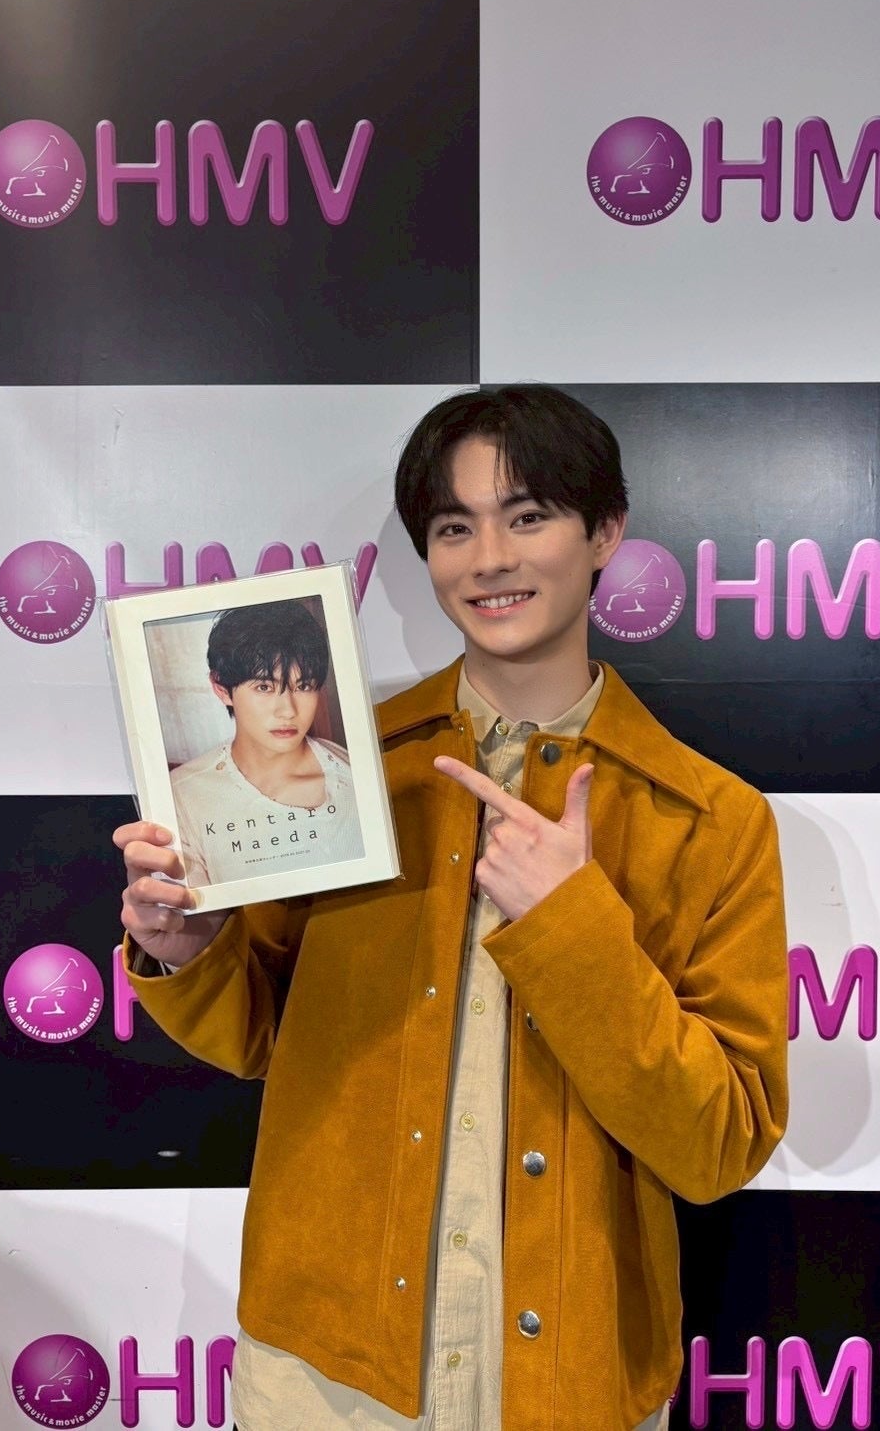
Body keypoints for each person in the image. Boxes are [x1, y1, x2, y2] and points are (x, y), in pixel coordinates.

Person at [115, 384, 789, 1431]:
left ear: (605, 531)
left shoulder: (708, 816)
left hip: (570, 1380)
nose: (490, 559)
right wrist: (192, 947)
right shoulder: (352, 775)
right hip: (327, 1374)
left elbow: (718, 1146)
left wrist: (572, 928)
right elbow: (259, 1037)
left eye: (529, 516)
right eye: (454, 528)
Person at [164, 600, 363, 888]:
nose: (288, 711)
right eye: (264, 687)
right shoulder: (181, 796)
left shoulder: (353, 769)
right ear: (222, 688)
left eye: (303, 686)